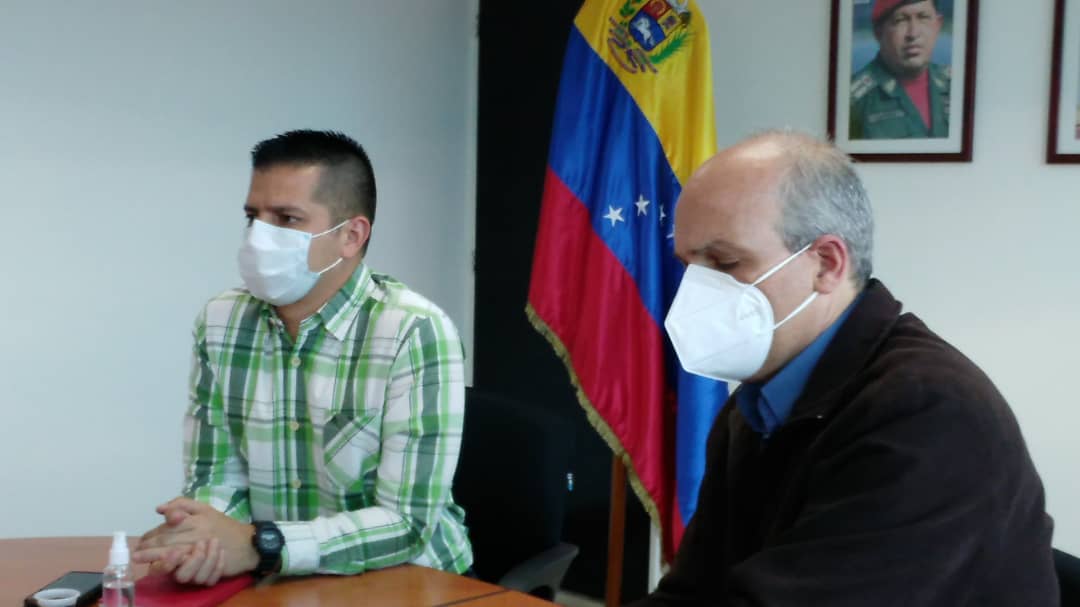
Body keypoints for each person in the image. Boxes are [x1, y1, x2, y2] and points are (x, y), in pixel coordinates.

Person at [635, 131, 1058, 605]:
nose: (695, 293)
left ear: (827, 264)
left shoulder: (928, 412)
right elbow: (692, 593)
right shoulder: (757, 406)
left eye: (725, 261)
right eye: (689, 266)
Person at [132, 130, 473, 585]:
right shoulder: (221, 321)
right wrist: (203, 539)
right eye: (253, 217)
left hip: (406, 579)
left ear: (351, 235)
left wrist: (262, 544)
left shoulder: (414, 330)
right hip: (278, 575)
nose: (260, 236)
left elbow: (406, 524)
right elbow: (215, 477)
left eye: (286, 219)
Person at [849, 0, 951, 139]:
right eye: (901, 20)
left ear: (937, 25)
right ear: (878, 32)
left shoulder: (959, 87)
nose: (913, 33)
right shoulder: (854, 101)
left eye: (923, 18)